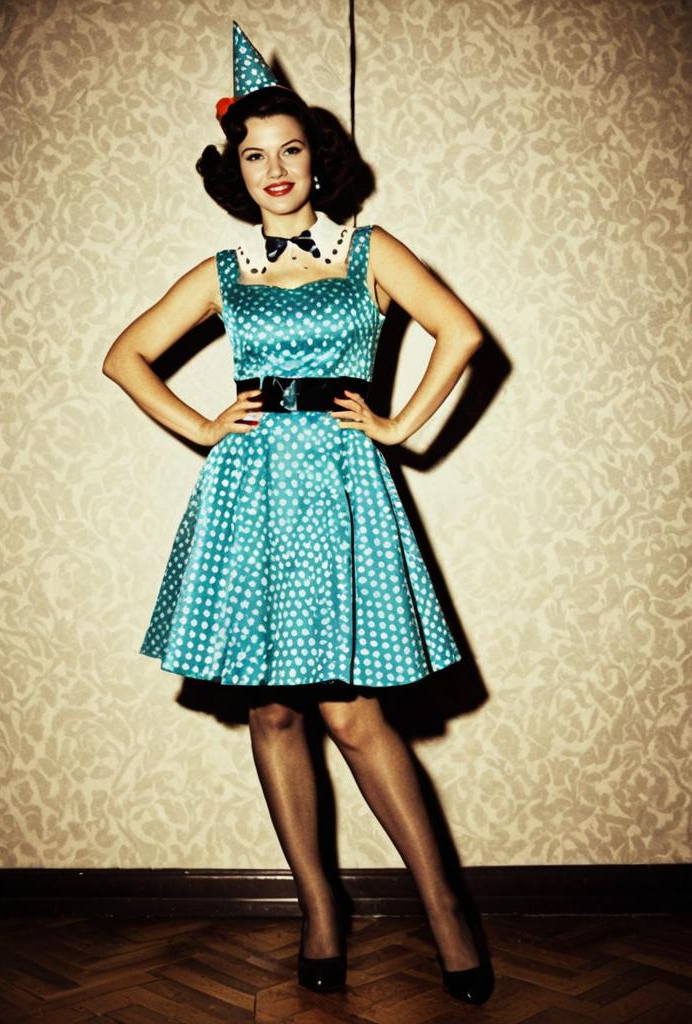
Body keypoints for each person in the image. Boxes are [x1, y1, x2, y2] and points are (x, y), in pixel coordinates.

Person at [102, 21, 493, 1005]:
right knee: (272, 708)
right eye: (254, 155)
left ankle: (445, 910)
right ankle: (320, 910)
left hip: (341, 487)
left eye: (289, 150)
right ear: (236, 171)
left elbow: (461, 333)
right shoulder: (227, 274)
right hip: (251, 495)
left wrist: (399, 427)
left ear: (318, 160)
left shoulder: (368, 253)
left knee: (352, 713)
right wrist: (203, 425)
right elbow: (124, 356)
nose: (274, 169)